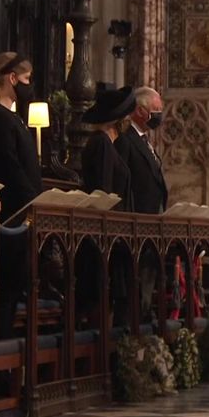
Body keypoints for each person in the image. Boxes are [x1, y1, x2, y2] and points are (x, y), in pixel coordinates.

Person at [80, 86, 136, 327]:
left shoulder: (106, 143)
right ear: (119, 120)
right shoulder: (101, 143)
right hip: (104, 234)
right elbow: (103, 190)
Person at [115, 87, 168, 319]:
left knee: (148, 278)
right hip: (137, 220)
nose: (158, 116)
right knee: (135, 281)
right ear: (139, 111)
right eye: (155, 111)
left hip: (152, 220)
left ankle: (144, 317)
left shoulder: (145, 141)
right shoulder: (126, 141)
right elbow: (124, 183)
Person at [0, 52, 41, 225]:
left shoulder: (13, 116)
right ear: (13, 78)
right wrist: (31, 197)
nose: (29, 84)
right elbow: (9, 164)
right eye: (27, 78)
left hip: (24, 206)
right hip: (14, 209)